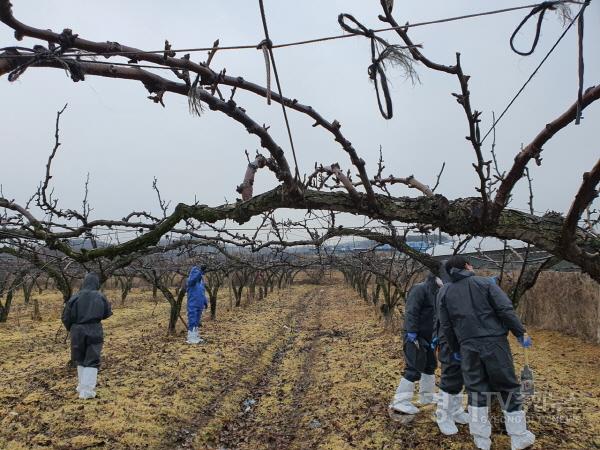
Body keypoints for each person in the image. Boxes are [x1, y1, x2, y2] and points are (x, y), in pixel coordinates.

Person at [438, 256, 535, 450]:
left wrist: (457, 349)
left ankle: (481, 441)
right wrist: (520, 333)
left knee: (476, 390)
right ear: (467, 266)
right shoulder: (485, 283)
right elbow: (505, 309)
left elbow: (446, 326)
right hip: (495, 344)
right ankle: (518, 436)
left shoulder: (444, 292)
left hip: (467, 348)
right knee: (508, 387)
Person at [389, 272, 440, 416]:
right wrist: (411, 332)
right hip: (416, 336)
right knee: (413, 368)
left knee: (430, 366)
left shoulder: (439, 292)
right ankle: (400, 402)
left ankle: (427, 396)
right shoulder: (420, 289)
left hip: (430, 337)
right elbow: (412, 311)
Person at [62, 272, 113, 400]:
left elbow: (65, 317)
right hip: (94, 329)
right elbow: (107, 313)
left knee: (80, 358)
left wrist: (71, 328)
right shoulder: (100, 296)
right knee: (92, 359)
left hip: (77, 330)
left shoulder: (75, 297)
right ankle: (87, 391)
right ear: (96, 283)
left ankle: (82, 387)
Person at [432, 264, 469, 435]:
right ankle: (443, 416)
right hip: (449, 342)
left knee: (460, 378)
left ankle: (456, 411)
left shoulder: (457, 289)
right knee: (450, 378)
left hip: (462, 341)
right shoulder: (445, 291)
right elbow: (442, 320)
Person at [186, 265, 208, 344]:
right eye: (196, 273)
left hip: (199, 305)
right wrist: (200, 272)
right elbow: (194, 278)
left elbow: (202, 293)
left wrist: (205, 302)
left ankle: (195, 336)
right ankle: (191, 337)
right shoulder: (190, 282)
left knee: (197, 321)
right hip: (193, 304)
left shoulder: (201, 283)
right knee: (192, 320)